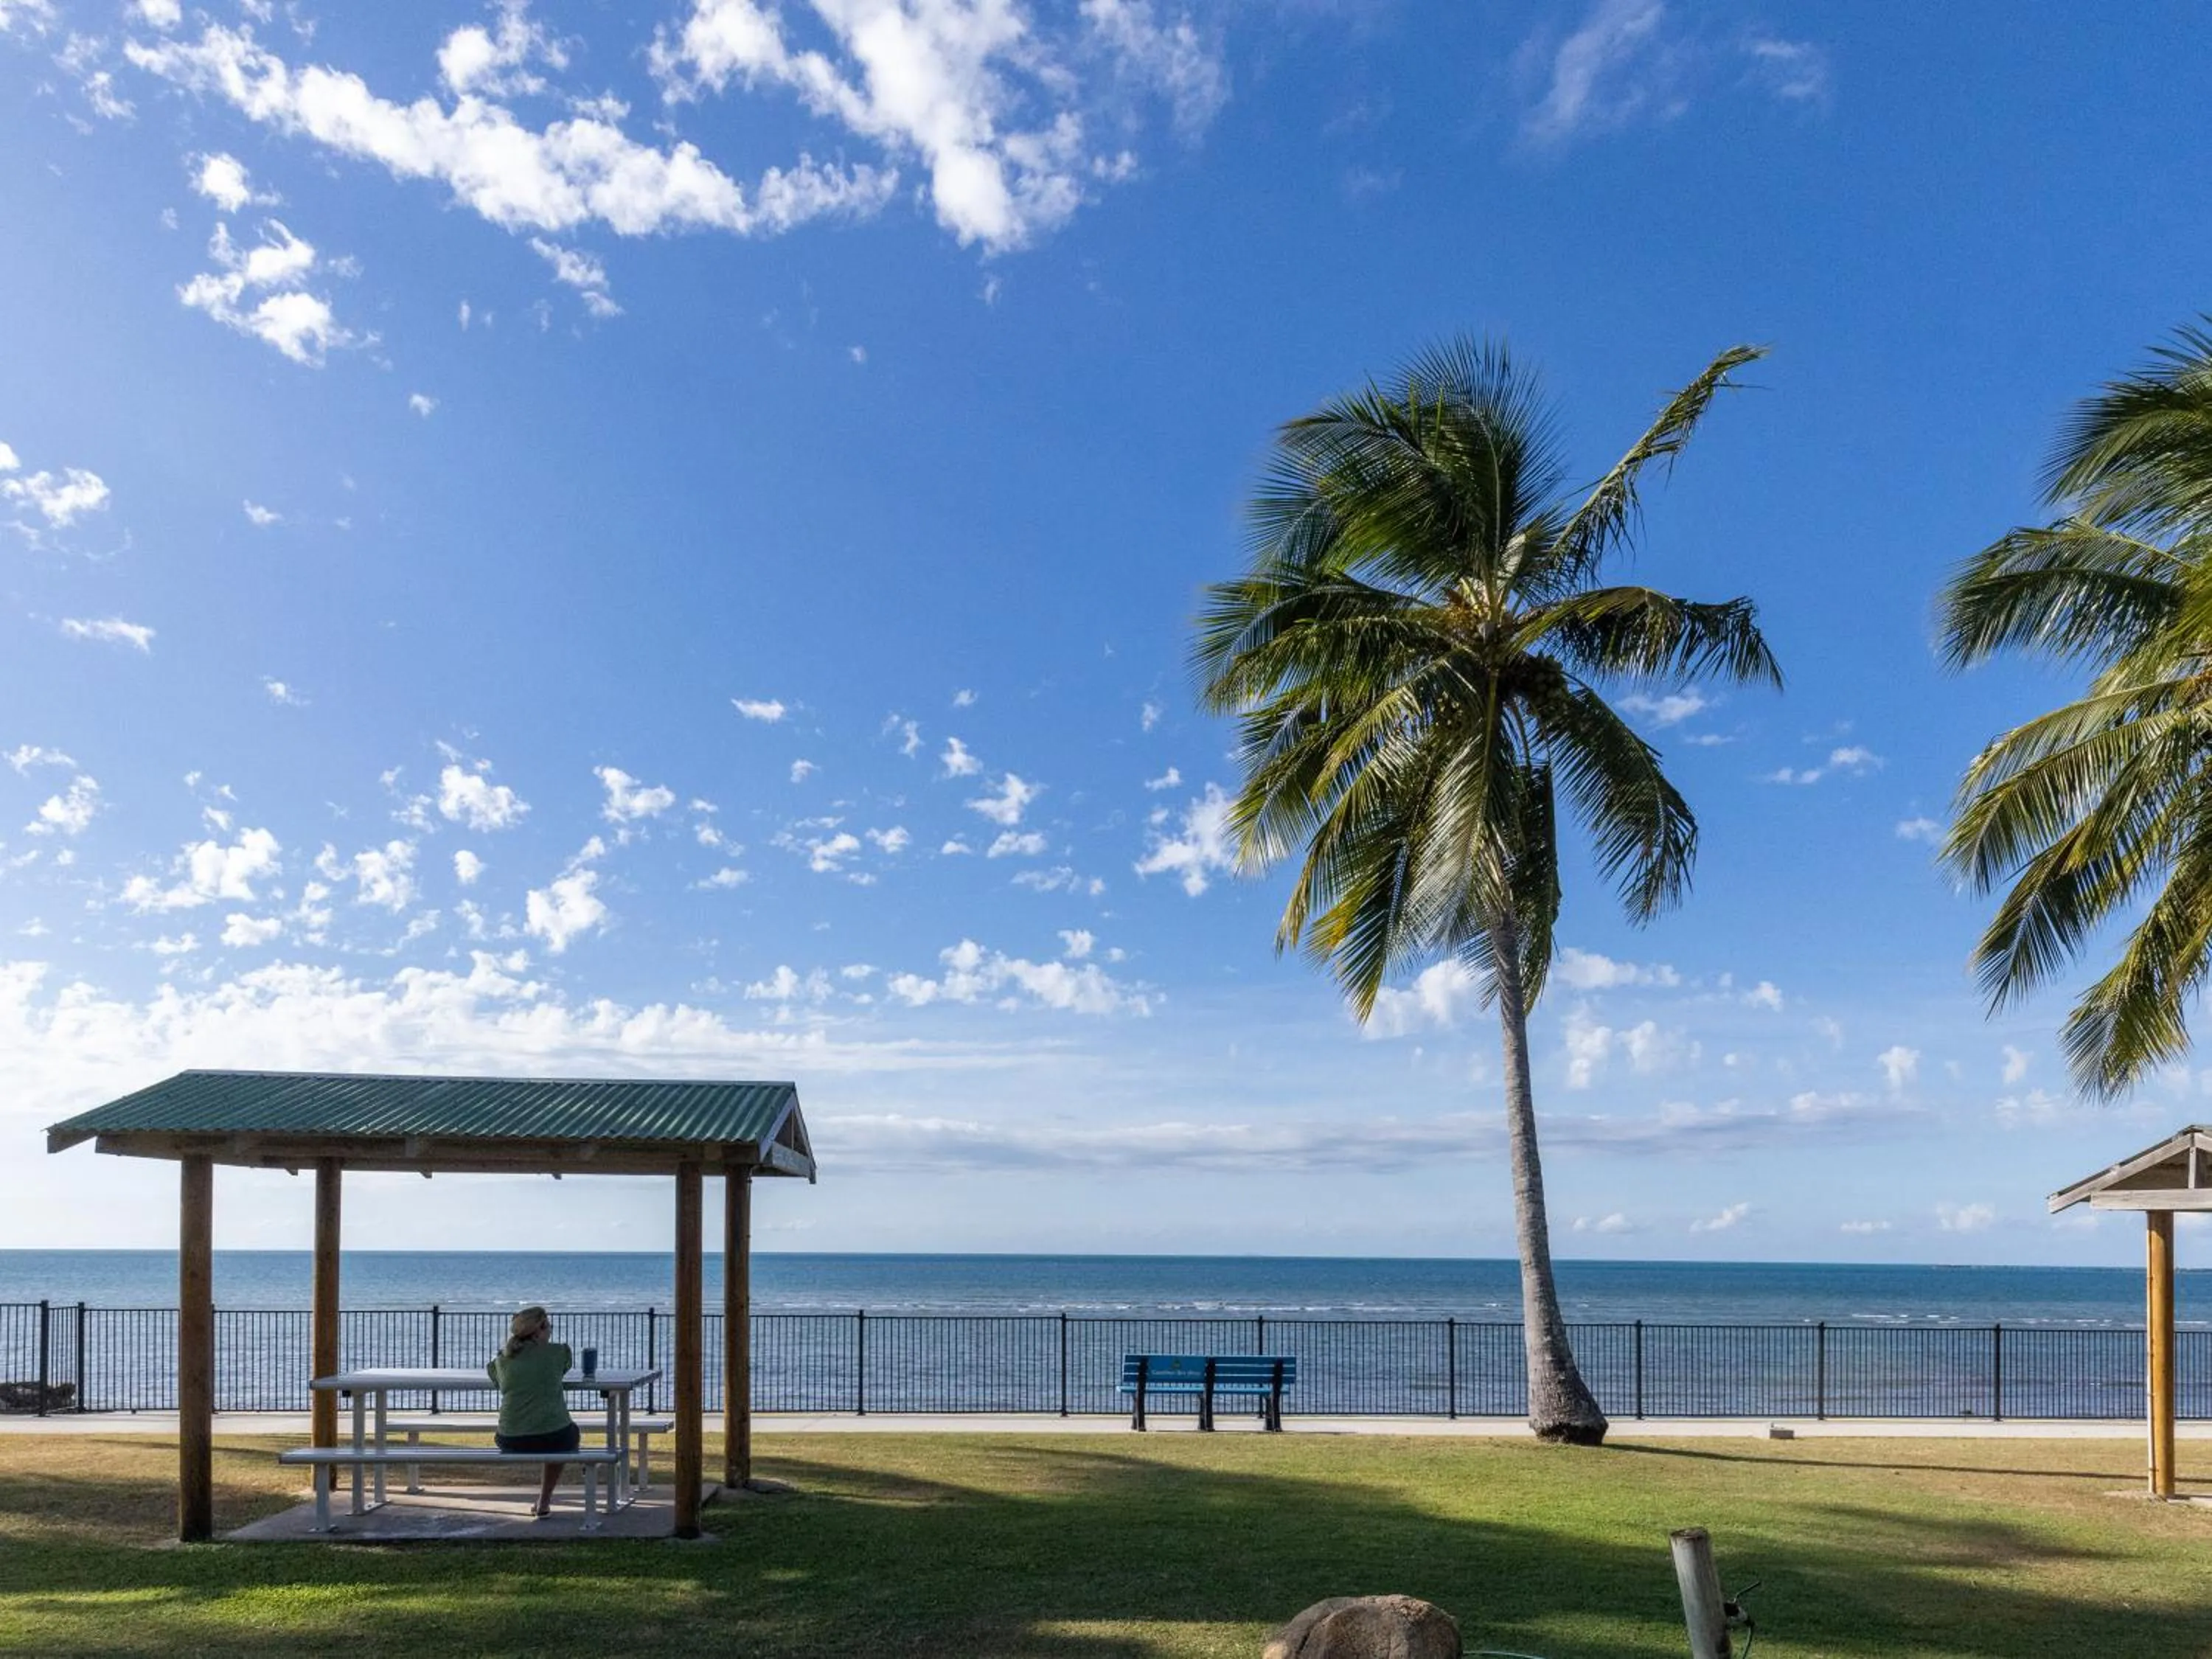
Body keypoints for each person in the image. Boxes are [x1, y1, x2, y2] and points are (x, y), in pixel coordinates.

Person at [487, 1305, 580, 1518]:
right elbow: (564, 1366)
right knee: (568, 1435)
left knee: (556, 1434)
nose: (551, 1331)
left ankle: (543, 1501)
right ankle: (544, 1500)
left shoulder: (503, 1360)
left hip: (509, 1438)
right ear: (540, 1329)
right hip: (554, 1436)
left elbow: (496, 1379)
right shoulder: (558, 1353)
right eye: (549, 1327)